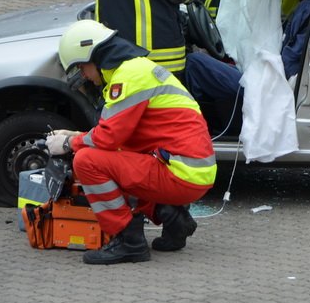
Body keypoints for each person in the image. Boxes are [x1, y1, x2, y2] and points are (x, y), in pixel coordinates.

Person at [47, 20, 215, 264]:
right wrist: (74, 136)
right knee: (115, 157)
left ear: (94, 55)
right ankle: (172, 217)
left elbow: (108, 138)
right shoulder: (136, 69)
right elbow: (120, 138)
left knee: (87, 161)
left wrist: (68, 145)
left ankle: (129, 241)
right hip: (189, 170)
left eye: (82, 67)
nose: (83, 75)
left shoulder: (128, 77)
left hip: (181, 174)